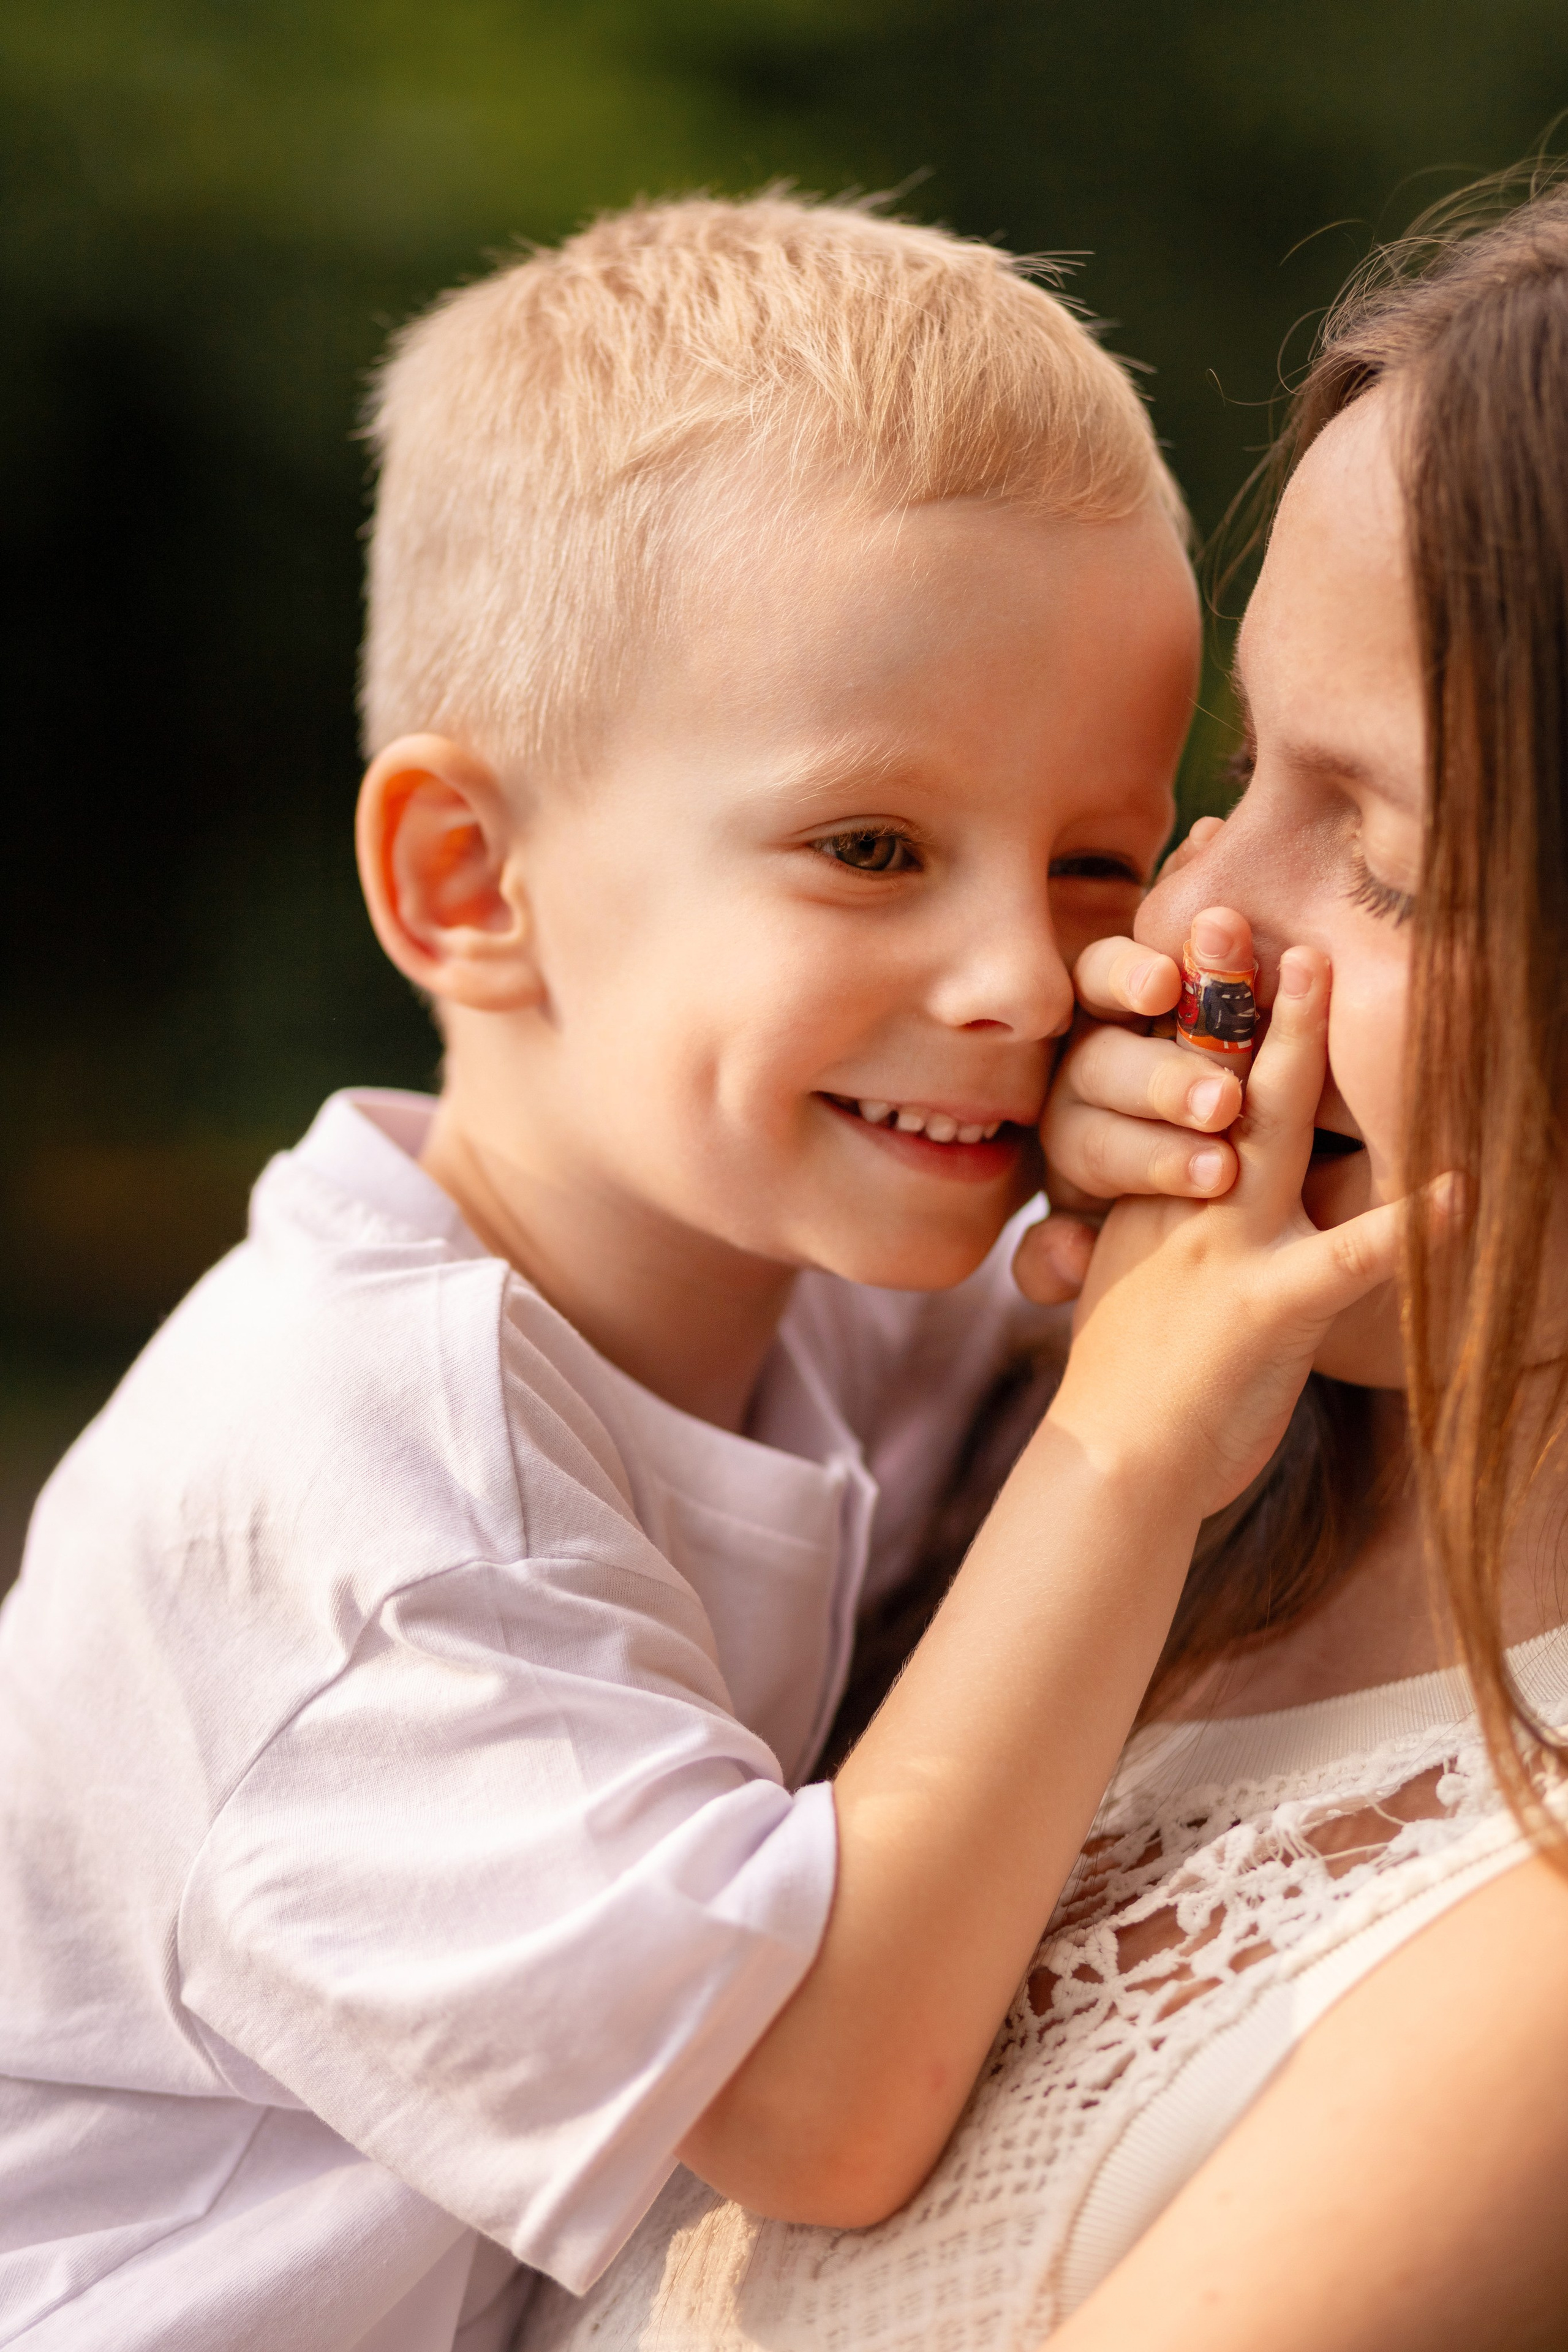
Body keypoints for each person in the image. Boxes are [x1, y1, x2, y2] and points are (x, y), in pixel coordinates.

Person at [0, 194, 1395, 2351]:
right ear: (473, 885)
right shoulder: (358, 1522)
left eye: (1097, 859)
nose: (1026, 978)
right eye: (873, 850)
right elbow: (816, 2104)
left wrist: (1156, 1177)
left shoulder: (804, 1276)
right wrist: (1124, 1439)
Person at [521, 177, 1568, 2352]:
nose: (1187, 933)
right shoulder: (1030, 1423)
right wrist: (978, 1213)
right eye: (1234, 782)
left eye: (1376, 858)